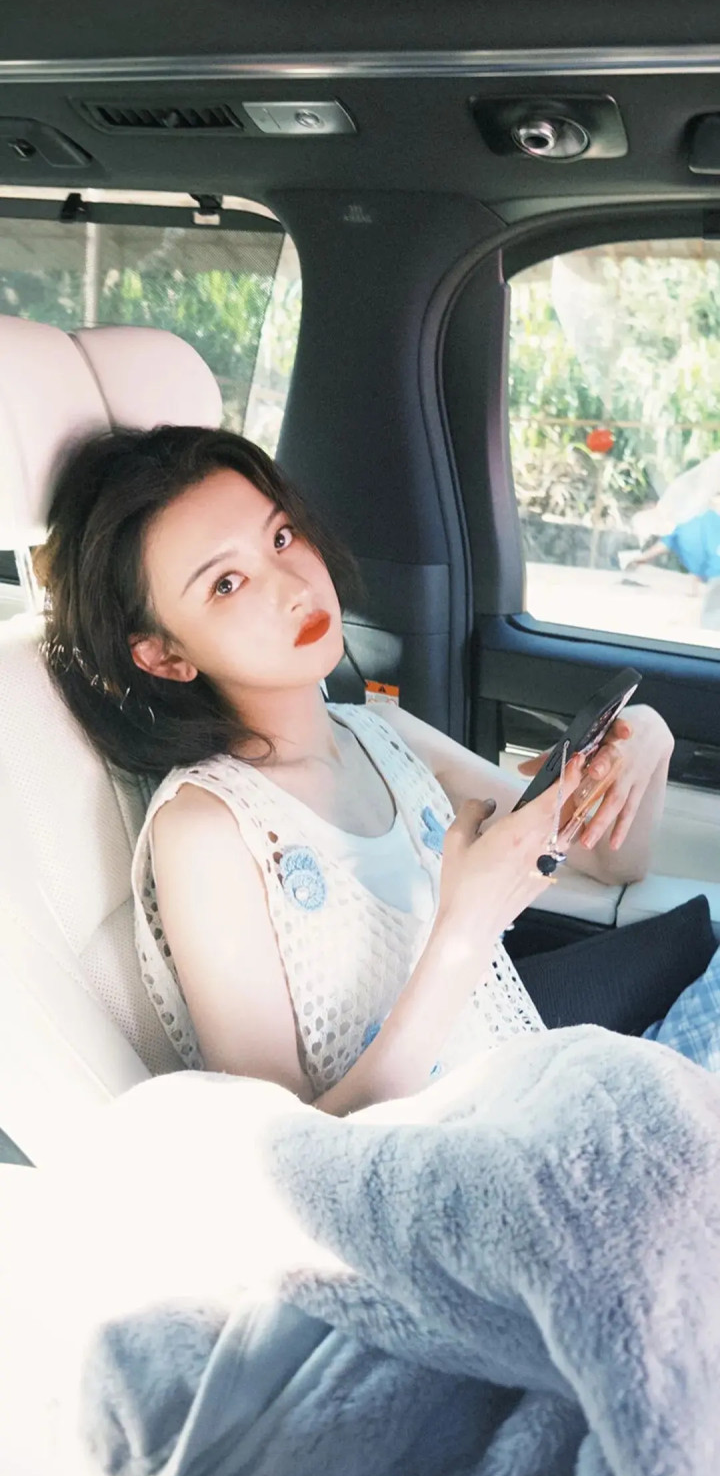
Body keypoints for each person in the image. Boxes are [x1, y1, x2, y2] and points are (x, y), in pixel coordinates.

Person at [34, 426, 674, 1116]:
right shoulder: (206, 828)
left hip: (523, 1098)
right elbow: (289, 1151)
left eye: (281, 537)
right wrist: (466, 927)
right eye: (227, 582)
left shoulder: (386, 735)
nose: (293, 586)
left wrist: (647, 741)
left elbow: (613, 861)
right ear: (165, 655)